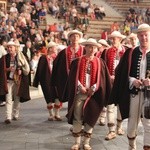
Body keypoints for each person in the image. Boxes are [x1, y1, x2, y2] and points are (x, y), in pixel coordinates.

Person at [63, 38, 112, 150]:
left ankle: (86, 142)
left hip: (93, 96)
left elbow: (102, 80)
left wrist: (93, 88)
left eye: (94, 47)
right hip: (80, 94)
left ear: (96, 49)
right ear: (85, 47)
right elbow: (72, 78)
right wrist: (80, 87)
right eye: (89, 46)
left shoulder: (101, 63)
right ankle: (76, 142)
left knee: (91, 117)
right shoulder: (77, 61)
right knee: (77, 117)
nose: (91, 49)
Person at [109, 23, 150, 150]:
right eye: (141, 35)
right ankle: (132, 146)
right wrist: (133, 80)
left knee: (148, 123)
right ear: (138, 36)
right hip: (135, 94)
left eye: (146, 35)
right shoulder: (130, 53)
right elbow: (122, 74)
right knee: (132, 122)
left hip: (149, 95)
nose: (144, 38)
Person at [101, 31, 126, 140]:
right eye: (112, 38)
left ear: (120, 39)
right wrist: (109, 76)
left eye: (115, 38)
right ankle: (111, 130)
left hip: (122, 82)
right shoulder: (107, 51)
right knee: (110, 106)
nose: (113, 40)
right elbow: (104, 66)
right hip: (110, 81)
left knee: (121, 106)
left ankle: (119, 127)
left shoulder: (126, 51)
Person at [51, 30, 84, 113]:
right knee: (71, 96)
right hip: (68, 78)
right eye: (73, 36)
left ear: (79, 38)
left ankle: (79, 114)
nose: (75, 38)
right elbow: (57, 65)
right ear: (70, 38)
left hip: (81, 77)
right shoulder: (64, 52)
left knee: (80, 97)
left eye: (77, 36)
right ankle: (72, 114)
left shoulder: (84, 50)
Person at [3, 41, 30, 124]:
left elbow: (26, 67)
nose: (9, 49)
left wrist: (20, 70)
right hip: (8, 81)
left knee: (16, 98)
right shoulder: (4, 58)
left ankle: (15, 114)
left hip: (18, 81)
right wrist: (7, 69)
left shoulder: (20, 56)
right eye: (8, 47)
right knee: (8, 98)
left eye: (11, 47)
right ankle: (8, 117)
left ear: (15, 48)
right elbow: (1, 69)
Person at [33, 42, 61, 121]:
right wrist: (38, 81)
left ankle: (57, 114)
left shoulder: (57, 57)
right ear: (50, 48)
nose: (56, 49)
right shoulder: (43, 58)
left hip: (56, 80)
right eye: (54, 47)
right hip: (46, 81)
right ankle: (51, 114)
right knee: (48, 98)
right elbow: (40, 70)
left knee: (58, 97)